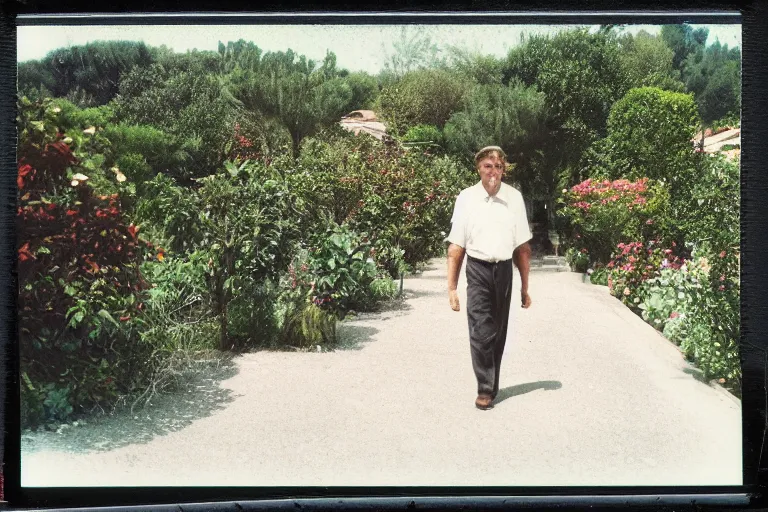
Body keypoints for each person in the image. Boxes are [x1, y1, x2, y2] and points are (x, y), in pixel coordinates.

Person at [445, 145, 532, 410]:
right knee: (481, 329)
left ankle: (491, 383)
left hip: (504, 270)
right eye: (487, 166)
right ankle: (484, 388)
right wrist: (451, 288)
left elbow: (523, 248)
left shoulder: (514, 198)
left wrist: (525, 288)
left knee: (498, 330)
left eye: (498, 167)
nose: (493, 172)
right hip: (478, 268)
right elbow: (456, 246)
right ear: (478, 169)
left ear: (504, 170)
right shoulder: (466, 198)